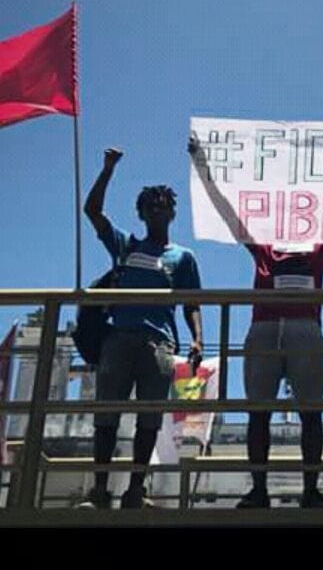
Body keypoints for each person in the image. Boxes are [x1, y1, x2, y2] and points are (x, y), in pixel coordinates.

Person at [188, 134, 323, 508]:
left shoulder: (318, 253)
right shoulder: (263, 250)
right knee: (258, 413)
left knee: (312, 411)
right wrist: (203, 166)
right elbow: (228, 212)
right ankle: (259, 490)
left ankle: (311, 491)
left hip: (304, 332)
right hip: (264, 331)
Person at [80, 148, 203, 509]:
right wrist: (107, 170)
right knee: (107, 415)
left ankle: (137, 490)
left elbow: (192, 302)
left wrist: (197, 338)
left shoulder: (183, 257)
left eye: (165, 205)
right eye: (152, 206)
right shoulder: (126, 245)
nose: (159, 210)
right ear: (142, 212)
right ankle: (99, 491)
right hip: (118, 338)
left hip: (159, 343)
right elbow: (93, 212)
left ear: (173, 212)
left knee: (149, 419)